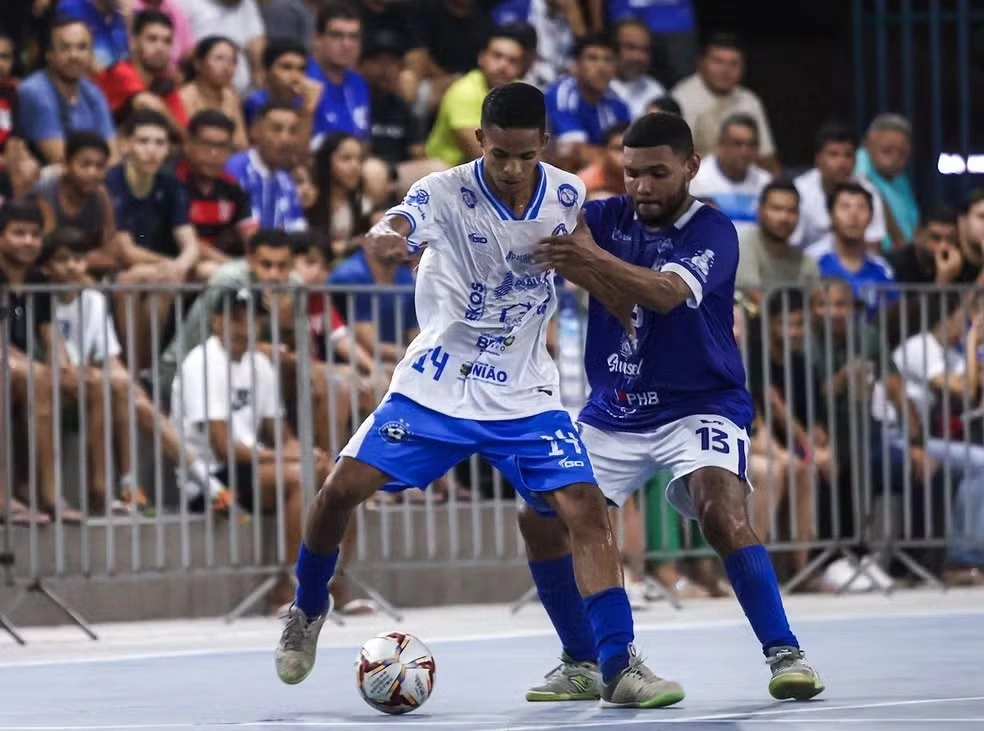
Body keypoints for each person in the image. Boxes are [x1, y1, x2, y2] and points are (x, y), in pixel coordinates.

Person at [274, 81, 683, 709]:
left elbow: (580, 262)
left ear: (543, 144)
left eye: (525, 156)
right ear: (479, 142)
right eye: (501, 156)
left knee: (583, 506)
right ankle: (307, 608)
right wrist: (388, 237)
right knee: (337, 494)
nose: (514, 170)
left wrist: (615, 296)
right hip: (439, 381)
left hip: (523, 390)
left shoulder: (568, 194)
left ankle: (618, 664)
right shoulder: (442, 192)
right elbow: (399, 221)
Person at [530, 112, 825, 701]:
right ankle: (583, 661)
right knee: (538, 516)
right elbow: (534, 229)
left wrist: (589, 261)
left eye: (657, 173)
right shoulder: (604, 216)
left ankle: (785, 653)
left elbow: (665, 294)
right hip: (615, 406)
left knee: (719, 508)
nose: (641, 186)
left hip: (701, 403)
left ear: (691, 166)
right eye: (631, 173)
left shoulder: (713, 230)